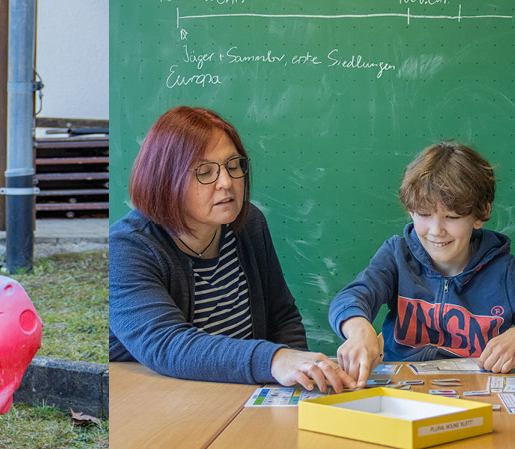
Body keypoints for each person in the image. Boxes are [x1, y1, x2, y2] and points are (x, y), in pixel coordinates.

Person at [106, 106, 351, 392]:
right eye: (205, 171)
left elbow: (281, 316)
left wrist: (299, 384)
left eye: (233, 165)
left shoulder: (248, 223)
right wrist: (275, 360)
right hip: (162, 400)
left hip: (238, 395)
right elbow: (166, 343)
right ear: (165, 179)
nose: (227, 183)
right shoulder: (126, 247)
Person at [330, 141, 515, 382]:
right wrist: (359, 330)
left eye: (452, 217)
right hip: (402, 390)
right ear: (410, 210)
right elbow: (350, 299)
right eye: (423, 214)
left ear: (481, 213)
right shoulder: (397, 255)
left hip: (477, 395)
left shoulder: (504, 272)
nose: (436, 230)